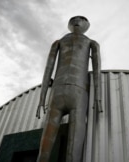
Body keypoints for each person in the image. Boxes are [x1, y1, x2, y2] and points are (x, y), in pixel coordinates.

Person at [36, 15, 102, 162]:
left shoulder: (91, 43)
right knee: (45, 152)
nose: (77, 21)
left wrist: (98, 97)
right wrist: (42, 98)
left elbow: (97, 71)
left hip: (71, 92)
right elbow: (48, 69)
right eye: (74, 19)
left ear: (87, 25)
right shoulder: (59, 43)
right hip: (66, 92)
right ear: (69, 24)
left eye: (82, 19)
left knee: (72, 153)